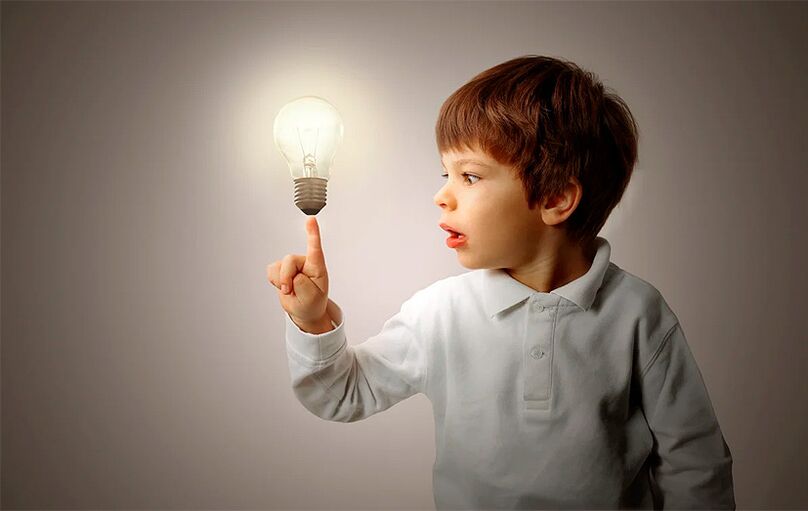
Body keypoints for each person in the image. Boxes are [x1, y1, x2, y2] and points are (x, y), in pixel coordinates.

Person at [266, 55, 735, 510]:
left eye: (469, 176)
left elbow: (695, 462)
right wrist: (311, 321)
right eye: (445, 174)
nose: (442, 195)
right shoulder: (441, 313)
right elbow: (345, 394)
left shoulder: (637, 312)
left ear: (555, 199)